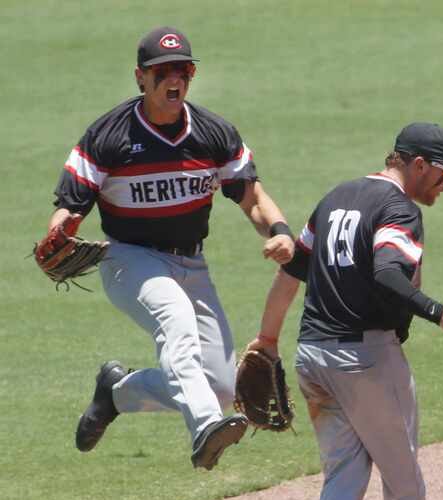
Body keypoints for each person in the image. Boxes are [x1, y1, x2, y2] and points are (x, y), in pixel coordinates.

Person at [247, 122, 443, 500]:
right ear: (417, 164)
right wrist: (440, 312)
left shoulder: (335, 197)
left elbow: (291, 272)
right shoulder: (398, 209)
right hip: (366, 359)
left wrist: (267, 339)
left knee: (343, 471)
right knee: (401, 470)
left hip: (312, 353)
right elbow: (385, 273)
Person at [48, 26, 295, 470]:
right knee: (175, 320)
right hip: (129, 259)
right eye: (162, 71)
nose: (173, 78)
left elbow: (252, 196)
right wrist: (59, 234)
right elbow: (69, 209)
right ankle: (204, 428)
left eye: (181, 68)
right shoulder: (109, 136)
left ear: (192, 74)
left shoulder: (213, 133)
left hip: (191, 262)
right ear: (140, 77)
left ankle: (116, 394)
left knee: (221, 386)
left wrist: (279, 231)